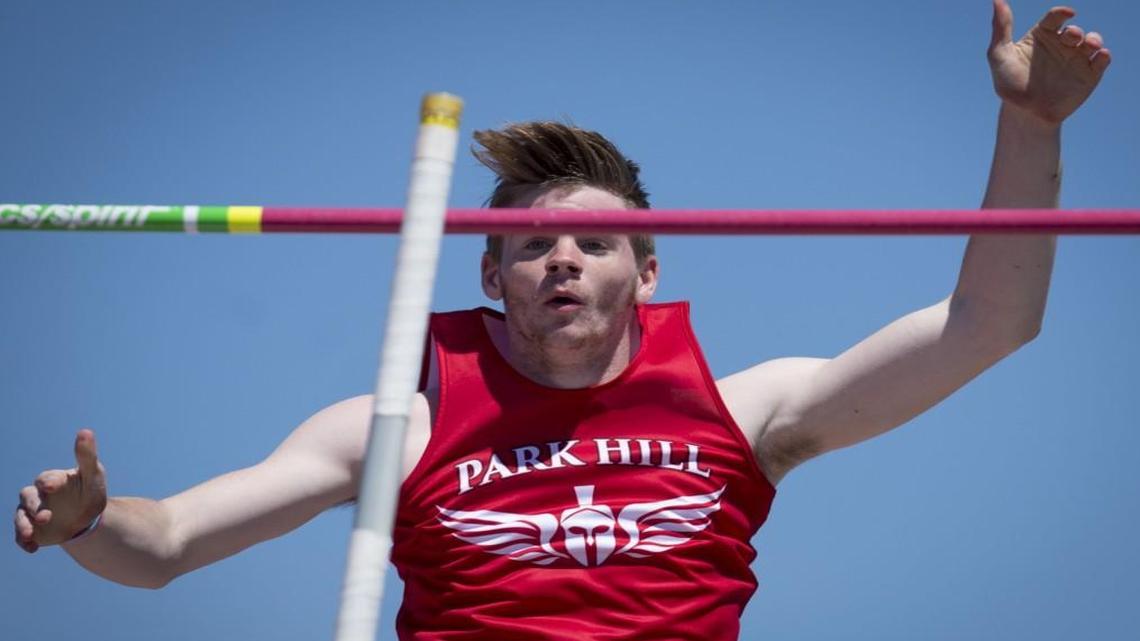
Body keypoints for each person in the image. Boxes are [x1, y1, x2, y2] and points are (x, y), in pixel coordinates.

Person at [13, 2, 1112, 639]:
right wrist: (90, 524)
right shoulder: (395, 418)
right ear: (491, 275)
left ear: (649, 266)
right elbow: (164, 547)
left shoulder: (751, 407)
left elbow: (989, 323)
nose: (564, 263)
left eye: (593, 244)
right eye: (534, 247)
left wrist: (1027, 124)